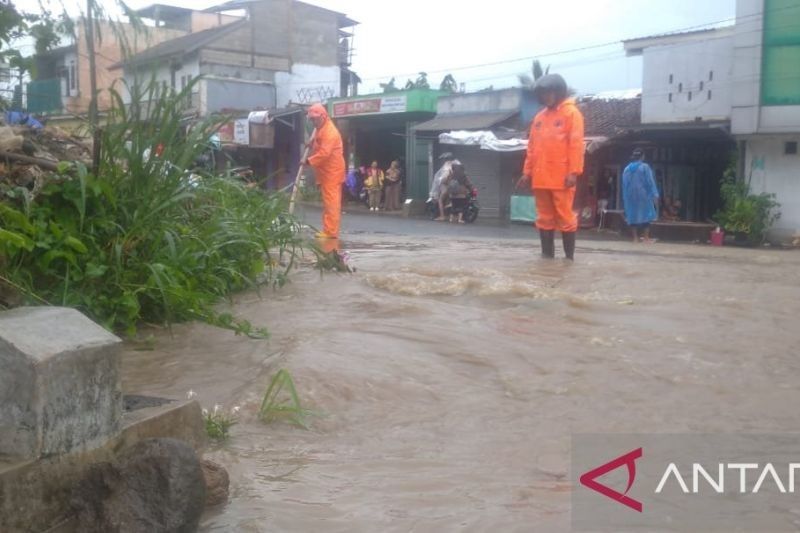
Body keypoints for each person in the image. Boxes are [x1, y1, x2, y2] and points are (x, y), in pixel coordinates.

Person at [517, 73, 585, 260]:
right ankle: (547, 258)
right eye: (543, 94)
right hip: (540, 178)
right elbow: (531, 148)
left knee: (565, 218)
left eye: (549, 93)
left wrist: (573, 172)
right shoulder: (539, 118)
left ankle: (569, 259)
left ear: (559, 92)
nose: (545, 97)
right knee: (544, 219)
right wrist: (527, 172)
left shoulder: (571, 114)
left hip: (562, 178)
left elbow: (576, 145)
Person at [303, 103, 345, 239]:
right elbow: (319, 142)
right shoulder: (321, 128)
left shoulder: (330, 132)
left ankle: (331, 232)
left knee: (331, 203)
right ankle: (328, 230)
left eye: (315, 119)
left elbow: (325, 153)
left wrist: (308, 161)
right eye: (312, 119)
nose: (313, 121)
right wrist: (311, 143)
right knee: (328, 202)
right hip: (326, 172)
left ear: (323, 116)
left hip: (332, 172)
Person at [622, 148, 660, 243]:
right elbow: (650, 181)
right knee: (646, 215)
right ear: (642, 156)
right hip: (643, 195)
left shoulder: (627, 168)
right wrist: (655, 194)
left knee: (632, 215)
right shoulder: (644, 167)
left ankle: (635, 238)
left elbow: (624, 184)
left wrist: (625, 196)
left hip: (630, 196)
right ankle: (646, 238)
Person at [430, 152, 460, 221]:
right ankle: (453, 215)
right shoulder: (456, 164)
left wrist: (440, 180)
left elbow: (444, 177)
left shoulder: (447, 165)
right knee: (452, 200)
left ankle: (442, 216)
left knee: (440, 200)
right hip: (455, 187)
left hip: (446, 187)